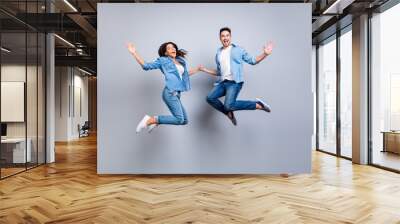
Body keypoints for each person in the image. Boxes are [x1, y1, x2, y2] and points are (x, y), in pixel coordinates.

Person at [200, 27, 274, 125]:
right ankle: (228, 113)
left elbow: (252, 61)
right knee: (210, 98)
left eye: (227, 35)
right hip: (223, 83)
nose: (225, 38)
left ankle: (258, 105)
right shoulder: (218, 53)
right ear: (220, 38)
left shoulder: (238, 50)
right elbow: (219, 72)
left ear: (230, 37)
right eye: (223, 36)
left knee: (228, 105)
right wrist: (205, 70)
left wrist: (265, 54)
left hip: (234, 83)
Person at [127, 41, 201, 133]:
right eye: (169, 48)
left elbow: (184, 75)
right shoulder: (163, 60)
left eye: (174, 47)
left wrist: (197, 70)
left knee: (184, 120)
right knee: (179, 119)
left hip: (177, 94)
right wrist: (134, 53)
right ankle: (150, 120)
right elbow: (146, 66)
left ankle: (156, 122)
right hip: (170, 93)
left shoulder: (180, 61)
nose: (173, 49)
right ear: (166, 53)